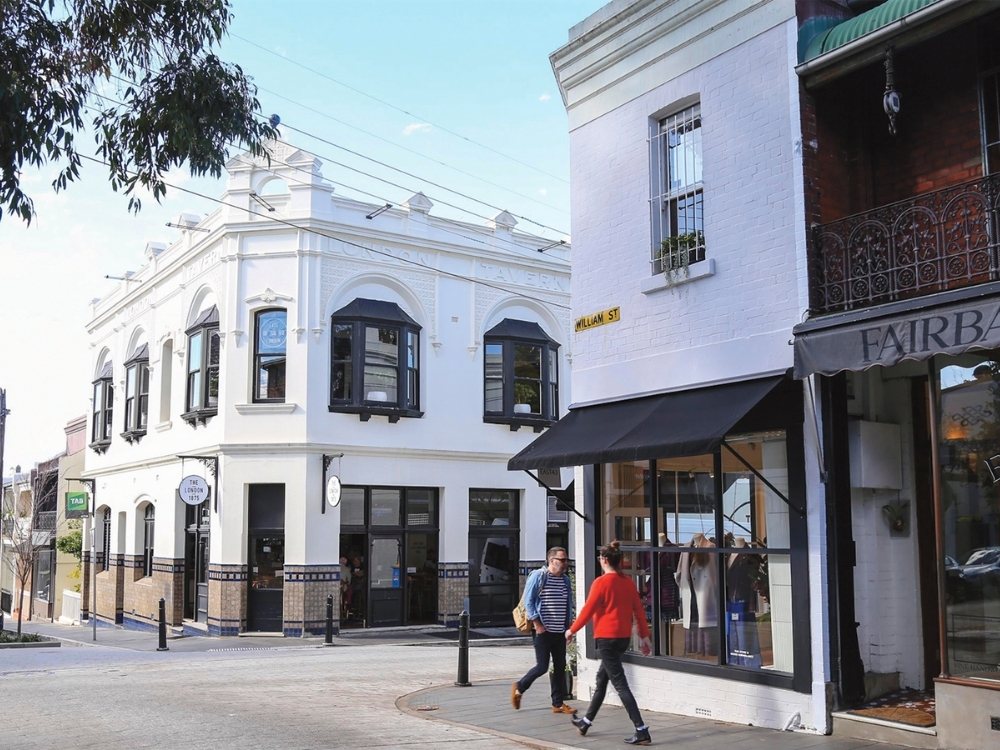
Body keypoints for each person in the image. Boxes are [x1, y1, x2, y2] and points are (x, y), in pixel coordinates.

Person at [566, 541, 652, 746]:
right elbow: (639, 611)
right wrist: (644, 635)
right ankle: (586, 722)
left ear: (604, 560)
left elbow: (588, 610)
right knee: (602, 679)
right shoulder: (628, 583)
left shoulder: (601, 583)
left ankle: (641, 729)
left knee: (620, 684)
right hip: (622, 638)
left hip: (606, 639)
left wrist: (571, 630)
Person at [511, 547, 576, 715]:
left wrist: (568, 627)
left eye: (566, 560)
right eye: (562, 560)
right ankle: (520, 686)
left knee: (560, 666)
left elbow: (568, 604)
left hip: (559, 630)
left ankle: (558, 703)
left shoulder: (565, 580)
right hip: (543, 630)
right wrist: (538, 624)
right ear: (551, 560)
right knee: (542, 666)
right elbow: (529, 601)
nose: (565, 563)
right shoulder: (539, 576)